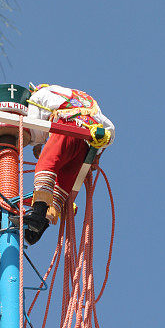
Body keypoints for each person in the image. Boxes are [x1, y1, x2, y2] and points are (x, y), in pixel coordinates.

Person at [20, 84, 115, 244]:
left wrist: (37, 144)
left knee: (46, 164)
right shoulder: (85, 98)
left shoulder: (39, 94)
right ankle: (44, 222)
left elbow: (34, 126)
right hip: (86, 144)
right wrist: (96, 154)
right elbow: (110, 128)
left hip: (67, 127)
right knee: (63, 183)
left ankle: (38, 212)